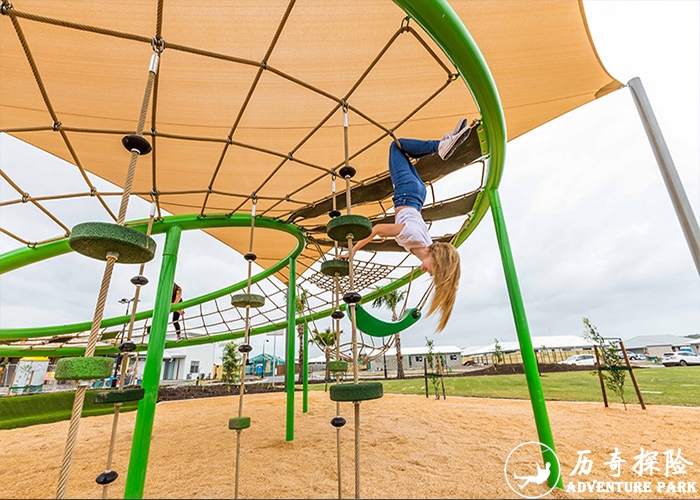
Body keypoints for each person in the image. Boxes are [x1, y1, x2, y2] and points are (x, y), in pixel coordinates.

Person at [344, 119, 469, 332]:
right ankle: (440, 146)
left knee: (403, 152)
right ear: (436, 260)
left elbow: (397, 232)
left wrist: (391, 234)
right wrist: (353, 250)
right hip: (406, 192)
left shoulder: (423, 247)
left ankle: (444, 143)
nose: (428, 273)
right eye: (433, 271)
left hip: (418, 194)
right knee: (396, 146)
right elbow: (376, 229)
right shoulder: (414, 238)